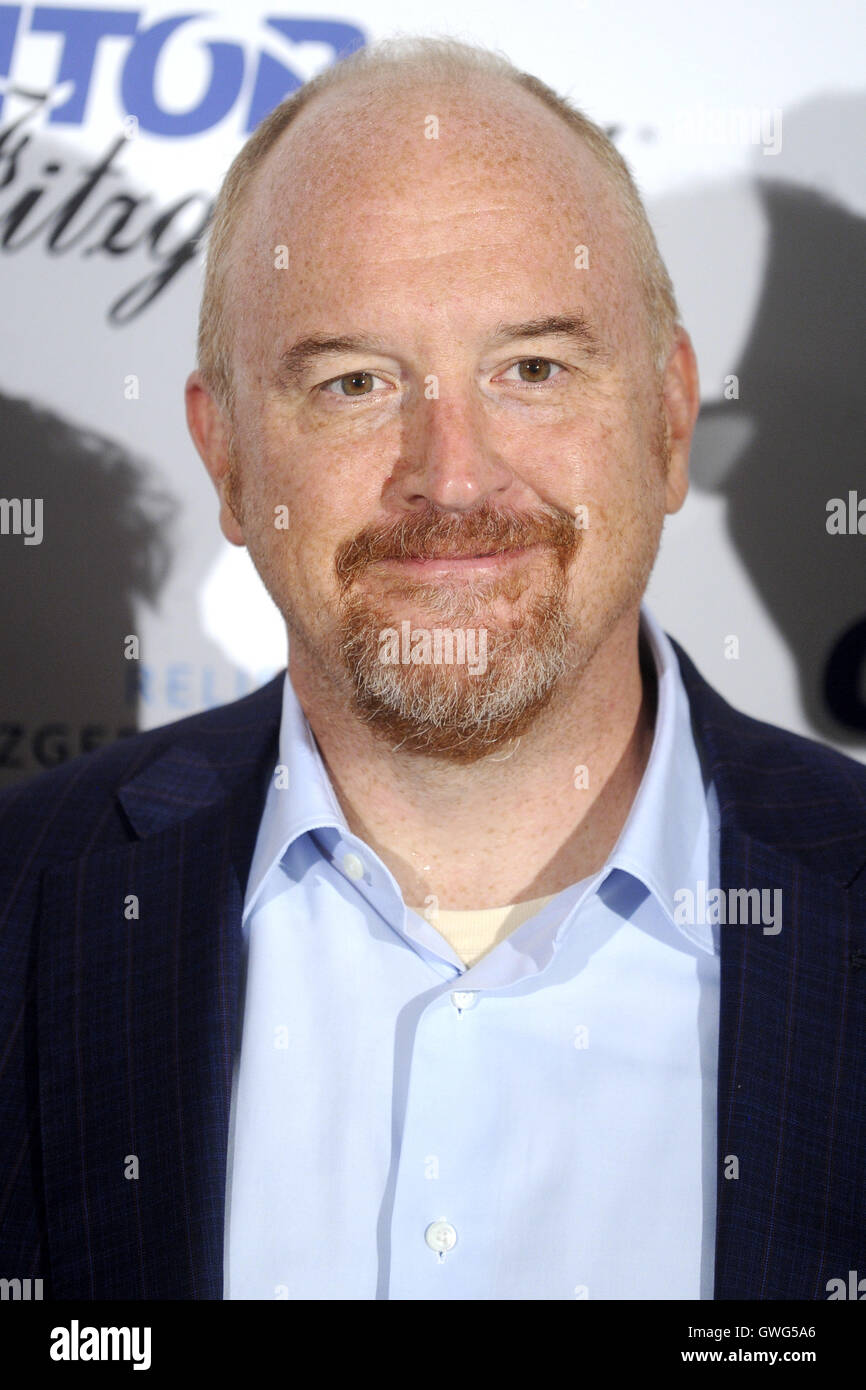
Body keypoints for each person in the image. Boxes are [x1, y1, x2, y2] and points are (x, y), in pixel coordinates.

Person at [1, 35, 864, 1303]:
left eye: (532, 369)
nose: (451, 476)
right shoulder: (25, 906)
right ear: (228, 455)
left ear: (669, 421)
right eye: (353, 382)